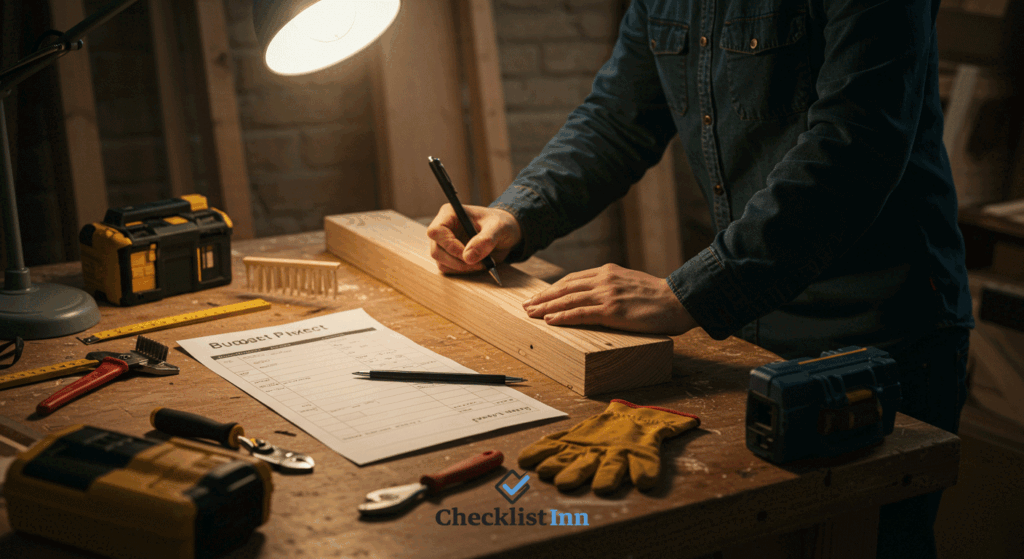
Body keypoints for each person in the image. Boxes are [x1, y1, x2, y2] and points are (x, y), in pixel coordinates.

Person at [427, 1, 973, 557]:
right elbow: (616, 117)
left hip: (876, 328)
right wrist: (519, 216)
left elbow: (855, 144)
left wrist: (688, 294)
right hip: (747, 325)